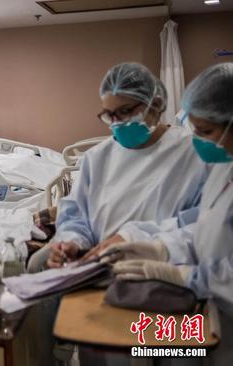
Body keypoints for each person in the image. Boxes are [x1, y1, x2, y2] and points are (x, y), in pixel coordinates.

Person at [106, 63, 233, 364]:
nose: (199, 140)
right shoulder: (224, 165)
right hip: (211, 315)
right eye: (195, 130)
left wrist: (184, 275)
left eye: (206, 131)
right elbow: (204, 224)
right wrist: (160, 246)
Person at [28, 62, 209, 272]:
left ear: (156, 104)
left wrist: (134, 239)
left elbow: (204, 226)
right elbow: (77, 216)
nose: (117, 122)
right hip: (99, 264)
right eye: (109, 115)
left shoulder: (193, 154)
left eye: (125, 111)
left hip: (165, 268)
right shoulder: (97, 158)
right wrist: (73, 243)